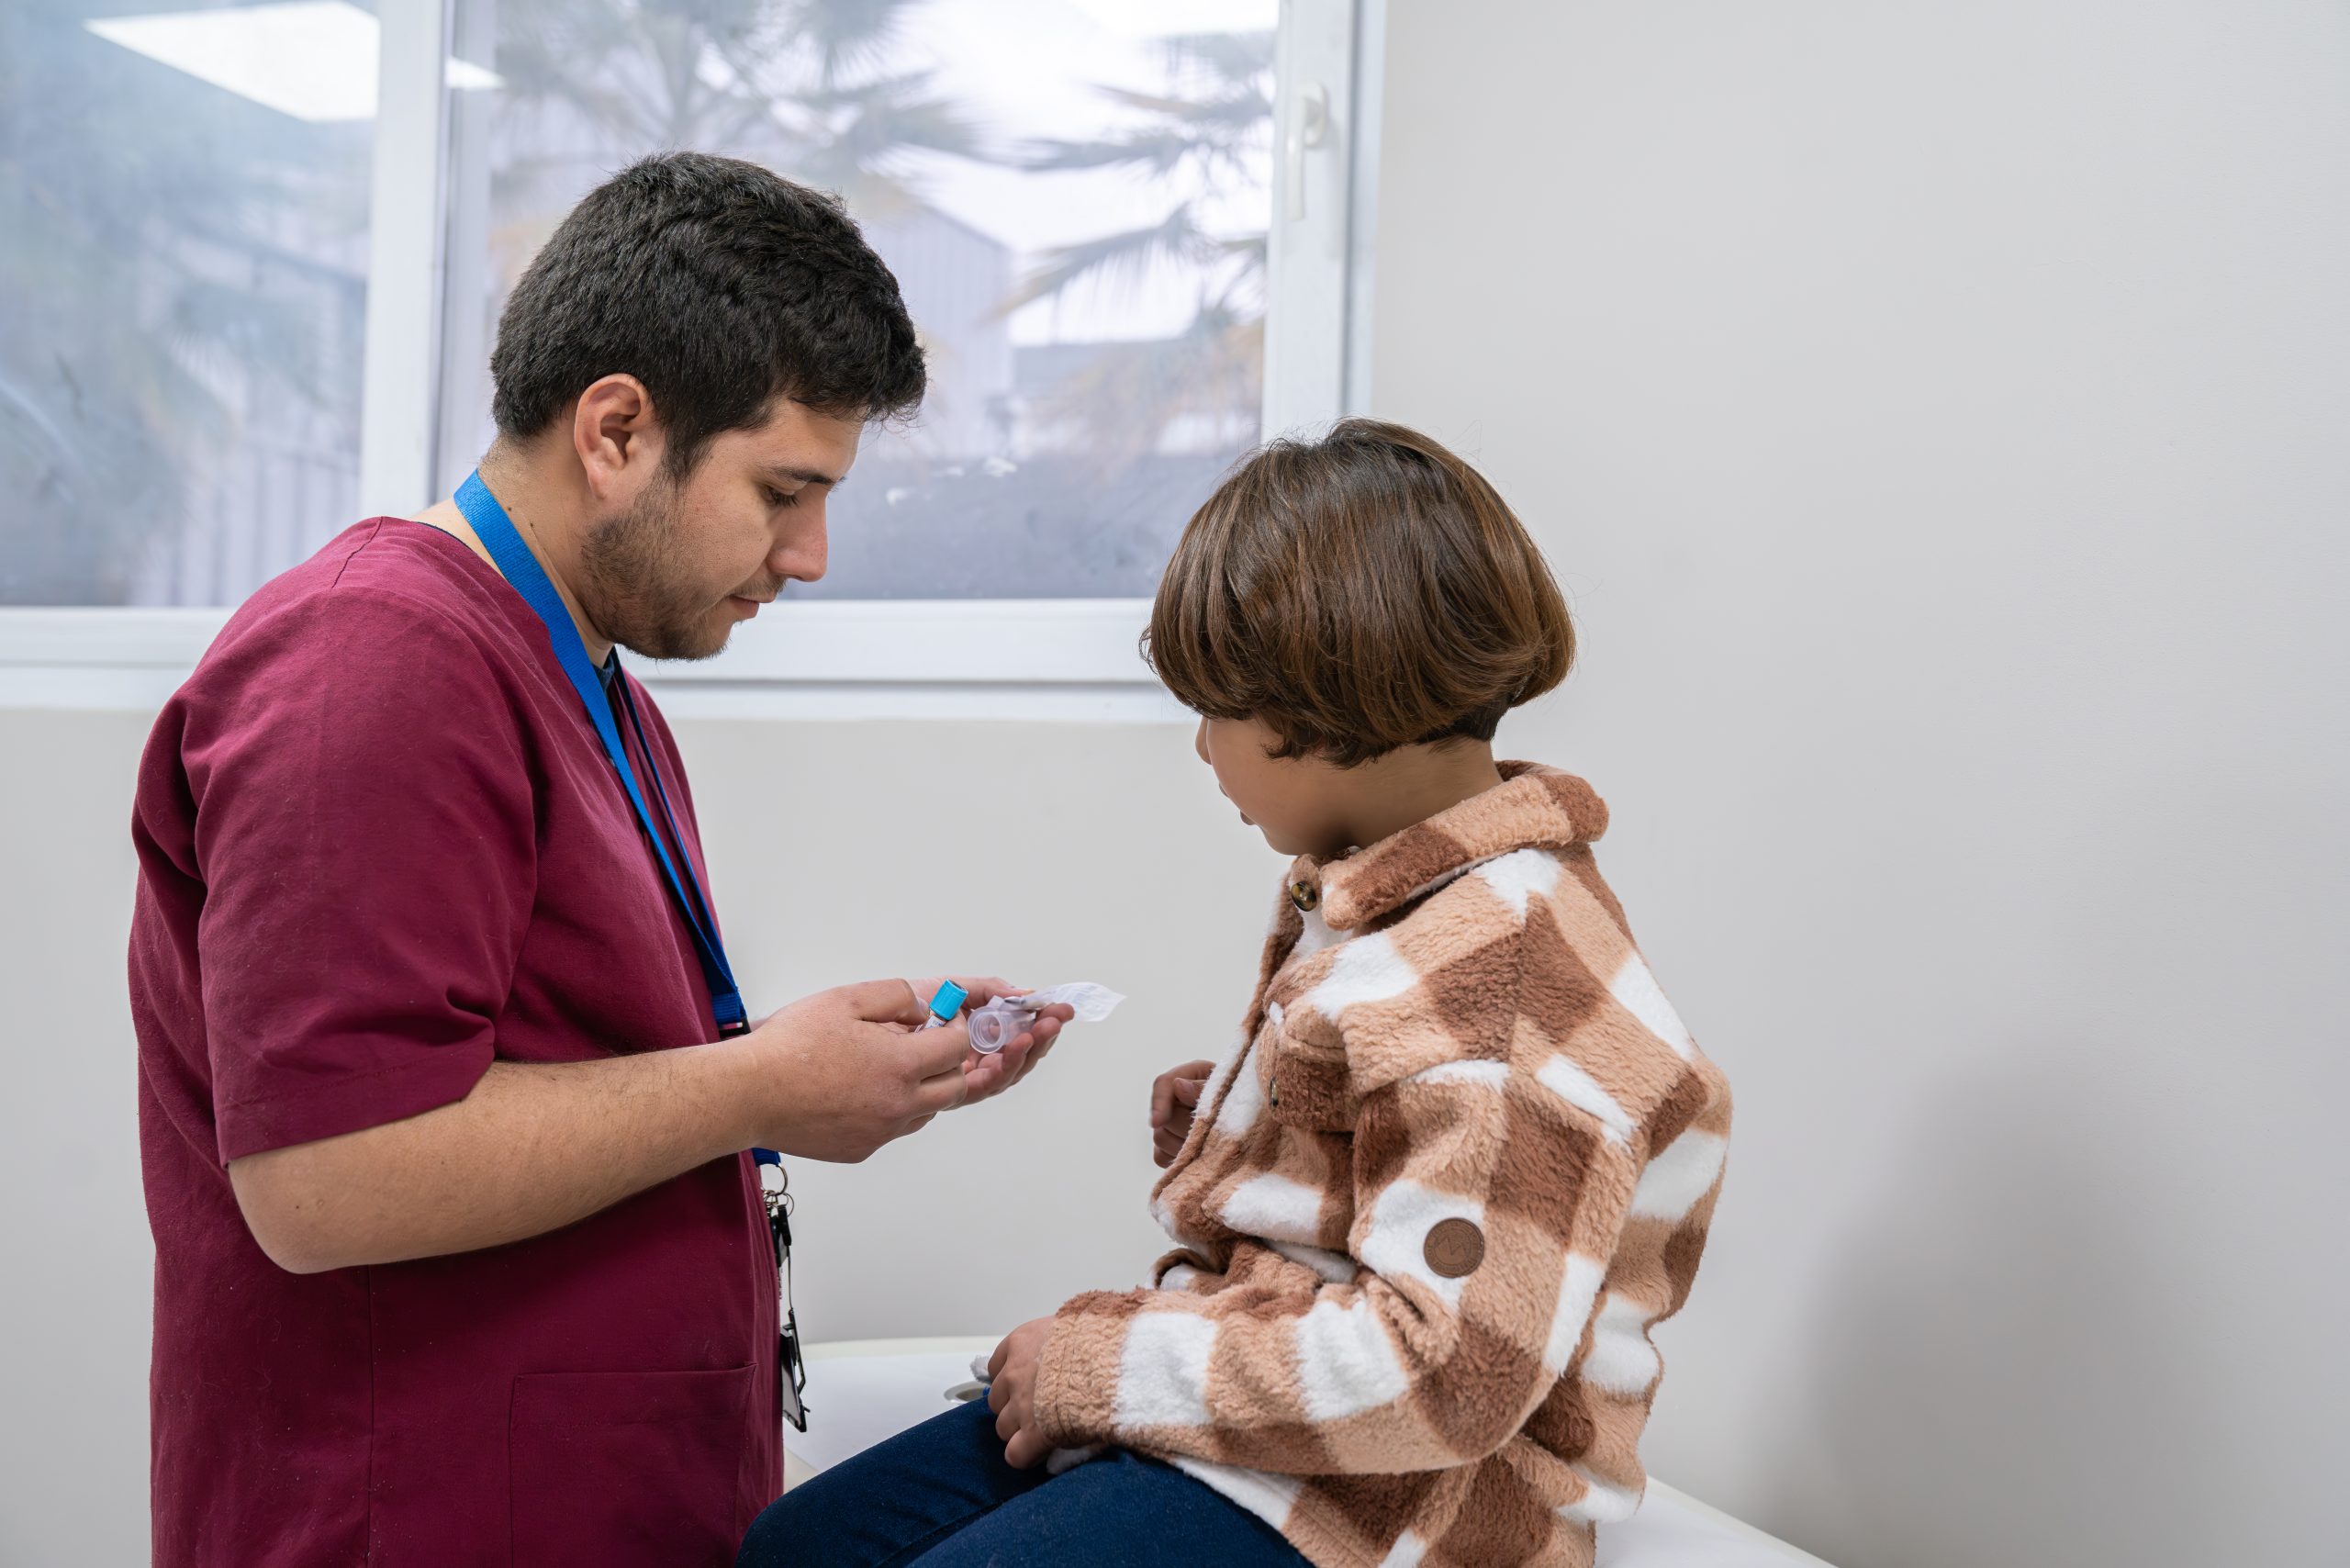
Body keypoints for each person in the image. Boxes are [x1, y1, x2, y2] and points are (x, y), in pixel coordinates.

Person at [128, 151, 1071, 1568]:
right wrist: (765, 1084)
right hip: (418, 1516)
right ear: (617, 430)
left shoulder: (582, 674)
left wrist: (805, 1068)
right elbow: (328, 1177)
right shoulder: (371, 659)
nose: (810, 554)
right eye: (783, 491)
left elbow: (565, 1063)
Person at [742, 420, 1733, 1568]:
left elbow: (1445, 1375)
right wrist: (1267, 1133)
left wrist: (1095, 1366)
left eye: (1216, 713)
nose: (1203, 750)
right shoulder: (1403, 893)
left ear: (1320, 700)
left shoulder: (1502, 989)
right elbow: (1405, 1130)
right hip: (1277, 1426)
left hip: (1404, 1507)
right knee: (795, 1550)